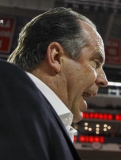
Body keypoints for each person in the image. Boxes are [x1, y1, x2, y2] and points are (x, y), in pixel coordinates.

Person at [3, 7, 108, 159]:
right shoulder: (7, 95)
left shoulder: (45, 124)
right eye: (95, 63)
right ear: (56, 56)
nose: (104, 81)